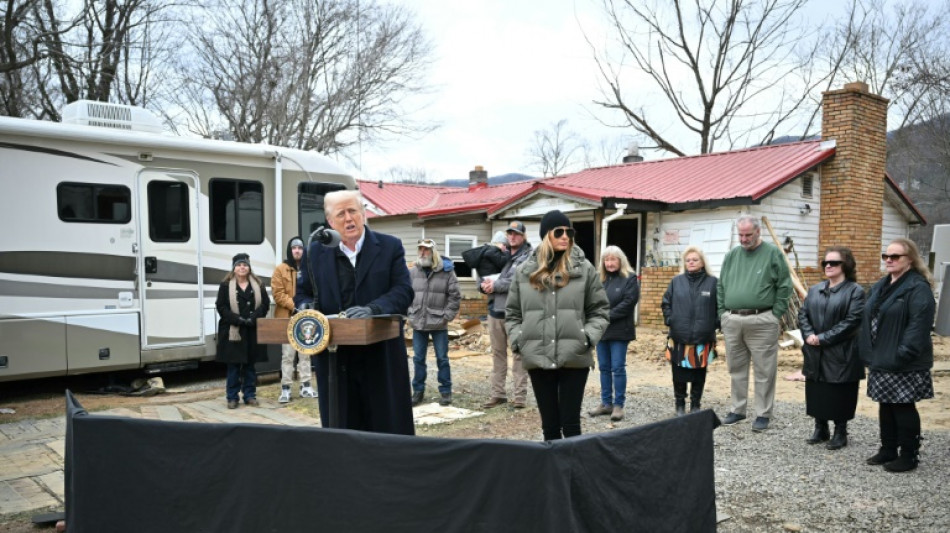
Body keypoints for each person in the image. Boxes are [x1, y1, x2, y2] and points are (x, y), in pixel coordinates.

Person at [294, 190, 415, 435]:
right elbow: (303, 292)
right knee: (343, 428)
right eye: (341, 214)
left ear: (363, 214)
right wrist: (306, 307)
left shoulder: (390, 247)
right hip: (336, 358)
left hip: (381, 355)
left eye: (354, 211)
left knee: (386, 426)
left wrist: (373, 309)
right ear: (330, 222)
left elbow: (403, 291)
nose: (349, 219)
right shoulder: (316, 251)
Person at [506, 210, 609, 440]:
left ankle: (574, 474)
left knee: (571, 426)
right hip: (537, 355)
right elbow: (512, 313)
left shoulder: (584, 269)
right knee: (550, 428)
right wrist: (519, 340)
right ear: (546, 236)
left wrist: (587, 338)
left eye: (569, 232)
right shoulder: (524, 272)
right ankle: (553, 475)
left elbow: (600, 310)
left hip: (574, 356)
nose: (566, 236)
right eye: (559, 232)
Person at [858, 238, 935, 472]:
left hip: (903, 360)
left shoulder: (917, 287)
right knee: (886, 405)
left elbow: (918, 327)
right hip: (881, 357)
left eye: (895, 257)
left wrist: (902, 354)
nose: (889, 260)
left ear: (910, 259)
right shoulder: (882, 285)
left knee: (902, 406)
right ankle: (888, 449)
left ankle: (909, 455)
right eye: (886, 256)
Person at [717, 215, 792, 432]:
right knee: (736, 368)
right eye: (740, 234)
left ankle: (763, 413)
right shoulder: (731, 255)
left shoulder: (772, 253)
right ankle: (737, 410)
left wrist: (775, 314)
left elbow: (785, 286)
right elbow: (721, 285)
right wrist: (723, 313)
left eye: (748, 234)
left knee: (764, 370)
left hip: (762, 319)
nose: (743, 239)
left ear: (758, 232)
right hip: (733, 319)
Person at [798, 246, 866, 450]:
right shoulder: (815, 289)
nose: (828, 265)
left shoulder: (855, 291)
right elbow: (803, 315)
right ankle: (820, 428)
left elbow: (852, 321)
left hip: (841, 351)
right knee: (817, 389)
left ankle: (840, 431)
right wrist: (809, 335)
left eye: (834, 262)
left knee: (839, 392)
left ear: (846, 265)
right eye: (825, 262)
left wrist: (823, 338)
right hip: (815, 350)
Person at [480, 221, 533, 409]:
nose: (512, 236)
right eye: (510, 233)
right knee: (497, 355)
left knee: (518, 354)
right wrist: (483, 285)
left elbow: (518, 281)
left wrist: (495, 286)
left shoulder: (529, 257)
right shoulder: (501, 254)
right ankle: (498, 394)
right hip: (495, 311)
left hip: (516, 313)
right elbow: (486, 273)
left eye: (516, 234)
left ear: (523, 236)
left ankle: (519, 397)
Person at [662, 246, 719, 416]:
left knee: (698, 374)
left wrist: (713, 324)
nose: (691, 262)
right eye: (688, 260)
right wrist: (670, 320)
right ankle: (679, 404)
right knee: (678, 373)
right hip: (679, 336)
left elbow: (721, 307)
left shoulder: (713, 282)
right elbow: (666, 303)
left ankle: (695, 404)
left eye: (695, 259)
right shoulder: (676, 282)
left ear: (702, 262)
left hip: (703, 337)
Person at [588, 245, 639, 422]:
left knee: (617, 368)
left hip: (620, 331)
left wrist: (605, 316)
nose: (609, 263)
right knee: (603, 368)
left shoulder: (630, 279)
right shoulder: (599, 280)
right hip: (602, 332)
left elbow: (628, 302)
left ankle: (618, 405)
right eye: (606, 260)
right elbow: (591, 300)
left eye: (613, 259)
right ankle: (606, 403)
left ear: (620, 261)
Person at [409, 239, 461, 407]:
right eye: (421, 249)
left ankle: (445, 392)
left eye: (426, 250)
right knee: (418, 359)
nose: (423, 253)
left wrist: (447, 316)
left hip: (439, 322)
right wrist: (410, 313)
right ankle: (418, 392)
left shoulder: (446, 272)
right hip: (418, 322)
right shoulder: (413, 271)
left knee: (442, 359)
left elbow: (455, 296)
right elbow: (406, 293)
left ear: (433, 252)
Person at [215, 253, 271, 409]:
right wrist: (237, 319)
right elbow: (221, 306)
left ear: (249, 267)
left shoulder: (258, 285)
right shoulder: (225, 285)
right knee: (233, 366)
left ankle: (250, 395)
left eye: (245, 265)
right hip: (234, 331)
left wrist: (254, 317)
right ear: (234, 268)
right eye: (239, 265)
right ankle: (232, 397)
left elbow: (265, 304)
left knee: (250, 366)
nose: (242, 267)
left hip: (252, 329)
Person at [272, 236, 317, 403]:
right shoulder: (281, 269)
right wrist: (295, 305)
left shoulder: (308, 269)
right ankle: (286, 388)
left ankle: (306, 386)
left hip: (306, 318)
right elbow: (278, 294)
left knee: (305, 353)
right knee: (288, 355)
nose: (297, 251)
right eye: (294, 248)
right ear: (290, 251)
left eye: (300, 248)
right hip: (288, 317)